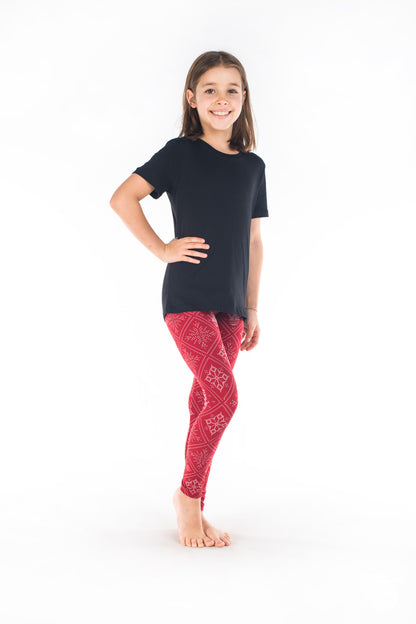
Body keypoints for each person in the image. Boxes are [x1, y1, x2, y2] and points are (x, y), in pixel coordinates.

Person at [109, 50, 269, 548]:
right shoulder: (179, 154)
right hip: (187, 297)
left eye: (231, 90)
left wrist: (252, 307)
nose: (221, 99)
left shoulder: (253, 166)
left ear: (244, 98)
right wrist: (162, 249)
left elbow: (254, 241)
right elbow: (122, 197)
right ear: (192, 98)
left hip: (231, 303)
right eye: (210, 90)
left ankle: (195, 503)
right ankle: (188, 499)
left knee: (205, 398)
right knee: (224, 397)